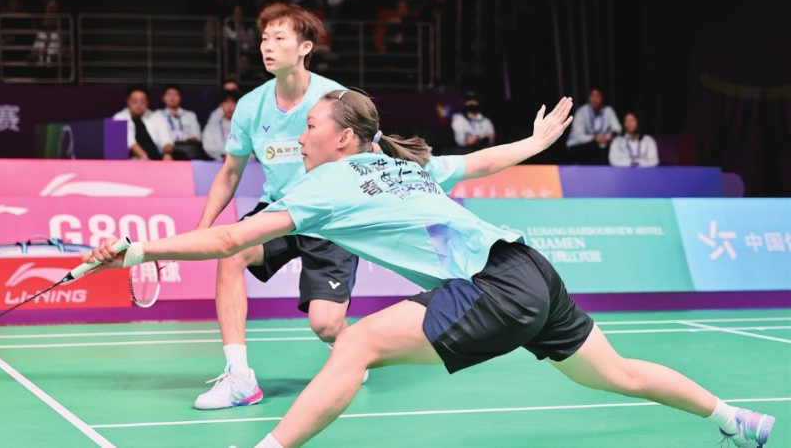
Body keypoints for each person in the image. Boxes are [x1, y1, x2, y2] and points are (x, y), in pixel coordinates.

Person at [85, 91, 775, 448]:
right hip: (531, 270)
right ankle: (737, 418)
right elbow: (478, 162)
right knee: (618, 373)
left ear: (343, 138)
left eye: (312, 126)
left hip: (492, 287)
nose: (301, 135)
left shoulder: (325, 184)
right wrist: (536, 140)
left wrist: (138, 249)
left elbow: (231, 239)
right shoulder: (401, 162)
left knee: (355, 342)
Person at [187, 2, 362, 410]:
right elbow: (230, 172)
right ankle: (239, 377)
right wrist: (203, 226)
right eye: (264, 38)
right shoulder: (251, 105)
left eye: (279, 38)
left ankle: (352, 348)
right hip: (279, 210)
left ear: (305, 47)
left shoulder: (335, 99)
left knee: (325, 324)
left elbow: (367, 158)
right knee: (230, 252)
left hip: (329, 217)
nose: (267, 46)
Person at [112, 86, 173, 160]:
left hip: (156, 158)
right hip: (132, 160)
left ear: (147, 102)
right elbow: (129, 142)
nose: (139, 105)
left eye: (142, 102)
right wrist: (145, 159)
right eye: (134, 101)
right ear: (128, 101)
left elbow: (166, 139)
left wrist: (167, 153)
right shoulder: (119, 117)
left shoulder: (156, 116)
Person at [566, 88, 622, 164]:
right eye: (592, 96)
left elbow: (618, 128)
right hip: (579, 147)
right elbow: (577, 136)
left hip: (601, 147)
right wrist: (594, 138)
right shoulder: (581, 112)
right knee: (592, 148)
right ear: (588, 98)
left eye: (597, 96)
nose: (595, 99)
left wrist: (610, 135)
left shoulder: (608, 110)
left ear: (602, 98)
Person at [158, 84, 204, 160]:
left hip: (186, 149)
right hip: (166, 150)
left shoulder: (190, 115)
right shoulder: (158, 115)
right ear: (163, 98)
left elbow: (197, 135)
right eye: (169, 94)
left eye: (175, 95)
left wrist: (190, 139)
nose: (172, 97)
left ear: (181, 98)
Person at [203, 91, 238, 160]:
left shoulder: (243, 127)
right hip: (218, 161)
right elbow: (208, 146)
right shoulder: (212, 126)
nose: (230, 106)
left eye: (233, 102)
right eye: (226, 102)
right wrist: (223, 154)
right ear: (221, 105)